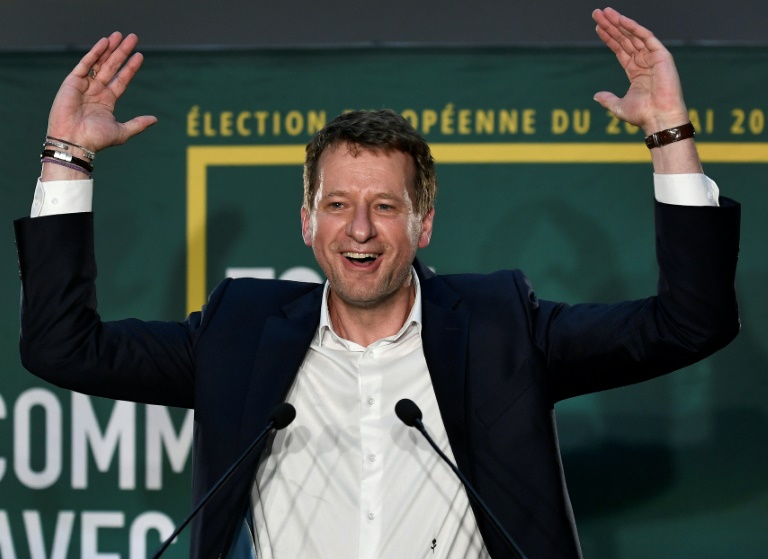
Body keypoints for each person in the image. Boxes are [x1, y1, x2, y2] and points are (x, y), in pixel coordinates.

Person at [14, 7, 740, 559]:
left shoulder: (502, 329)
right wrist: (67, 157)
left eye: (385, 207)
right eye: (337, 205)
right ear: (307, 222)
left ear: (424, 225)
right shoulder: (240, 332)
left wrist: (669, 133)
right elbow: (62, 347)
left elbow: (689, 322)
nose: (359, 229)